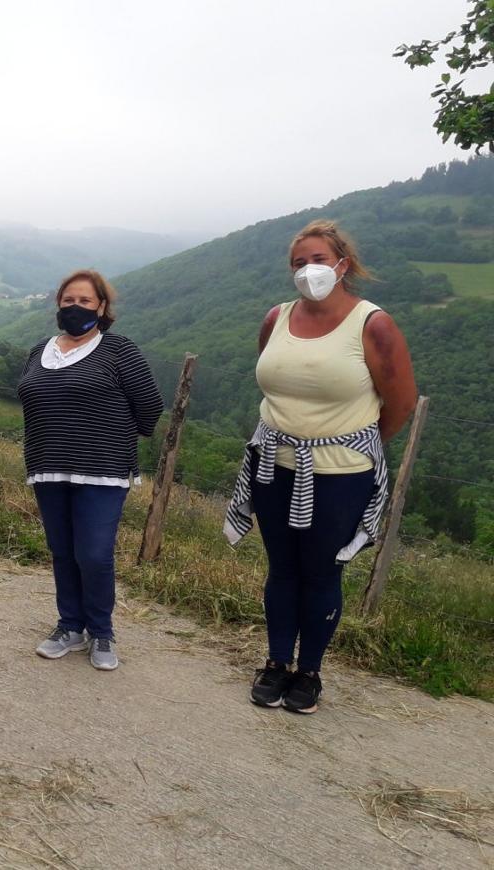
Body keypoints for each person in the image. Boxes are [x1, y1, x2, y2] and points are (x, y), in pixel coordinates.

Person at [226, 220, 416, 714]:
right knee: (282, 568)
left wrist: (349, 446)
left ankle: (308, 672)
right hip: (274, 465)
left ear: (342, 265)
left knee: (322, 571)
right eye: (298, 262)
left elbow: (400, 403)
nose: (308, 270)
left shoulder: (372, 324)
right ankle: (275, 663)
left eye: (318, 260)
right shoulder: (277, 318)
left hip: (340, 475)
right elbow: (273, 378)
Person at [17, 270, 163, 671]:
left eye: (85, 301)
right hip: (48, 466)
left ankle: (101, 631)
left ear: (102, 307)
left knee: (94, 554)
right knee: (62, 551)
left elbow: (149, 405)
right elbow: (29, 394)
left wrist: (111, 437)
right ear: (58, 304)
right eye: (68, 300)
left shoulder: (118, 350)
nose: (75, 307)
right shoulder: (39, 350)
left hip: (102, 470)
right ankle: (70, 626)